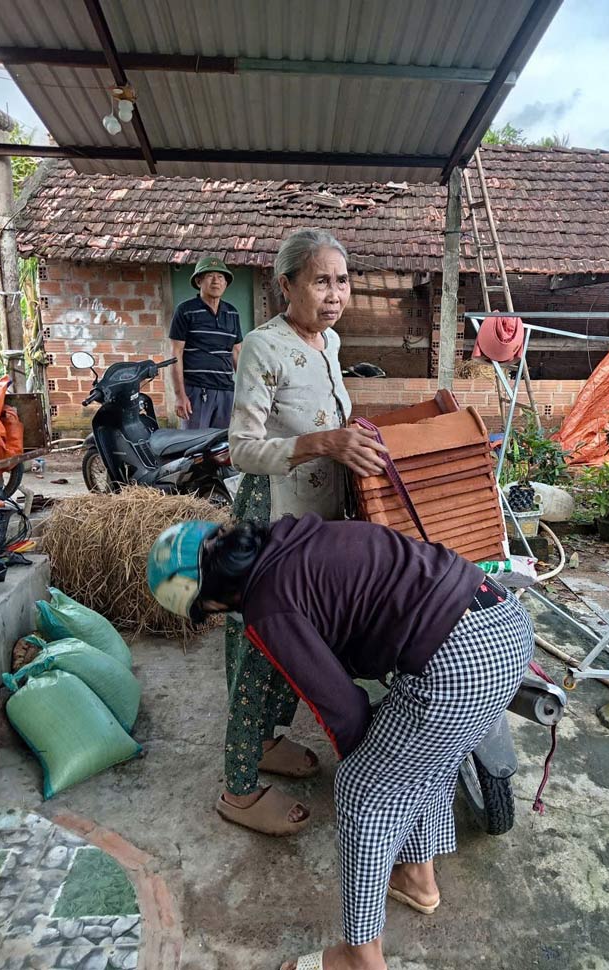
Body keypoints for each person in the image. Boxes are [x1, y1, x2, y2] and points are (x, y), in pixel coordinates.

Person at [148, 513, 535, 970]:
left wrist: (371, 768)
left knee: (363, 786)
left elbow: (342, 707)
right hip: (505, 622)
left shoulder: (266, 605)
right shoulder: (293, 533)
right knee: (422, 756)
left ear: (210, 602)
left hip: (458, 664)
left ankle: (358, 957)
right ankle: (416, 876)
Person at [219, 228, 387, 836]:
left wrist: (354, 435)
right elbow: (240, 448)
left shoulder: (330, 340)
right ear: (285, 284)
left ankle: (267, 740)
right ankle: (236, 788)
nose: (335, 293)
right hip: (272, 528)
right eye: (321, 280)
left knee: (304, 643)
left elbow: (327, 414)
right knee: (260, 651)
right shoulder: (264, 347)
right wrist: (322, 442)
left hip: (319, 525)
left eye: (342, 280)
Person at [169, 255, 242, 429]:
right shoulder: (186, 311)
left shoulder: (232, 313)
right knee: (192, 448)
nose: (216, 281)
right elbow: (175, 353)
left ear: (225, 283)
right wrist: (180, 395)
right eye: (210, 276)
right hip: (196, 391)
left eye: (221, 277)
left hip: (226, 392)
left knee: (222, 449)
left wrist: (247, 391)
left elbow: (237, 352)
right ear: (199, 281)